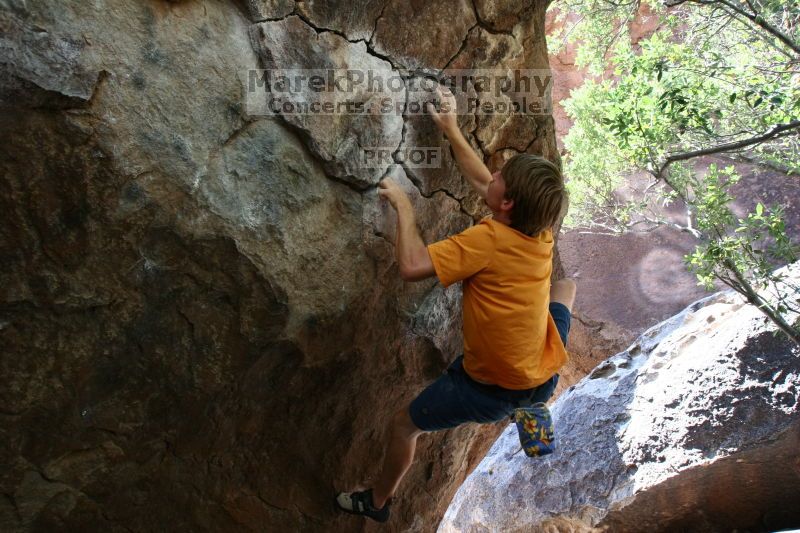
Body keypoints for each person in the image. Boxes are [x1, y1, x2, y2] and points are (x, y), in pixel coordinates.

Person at [335, 85, 576, 523]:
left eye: (501, 175)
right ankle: (533, 407)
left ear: (508, 204)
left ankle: (377, 503)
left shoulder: (488, 240)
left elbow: (412, 266)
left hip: (490, 389)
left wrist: (406, 208)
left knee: (403, 426)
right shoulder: (537, 230)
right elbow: (485, 184)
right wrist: (450, 127)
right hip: (543, 367)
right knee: (566, 288)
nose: (493, 173)